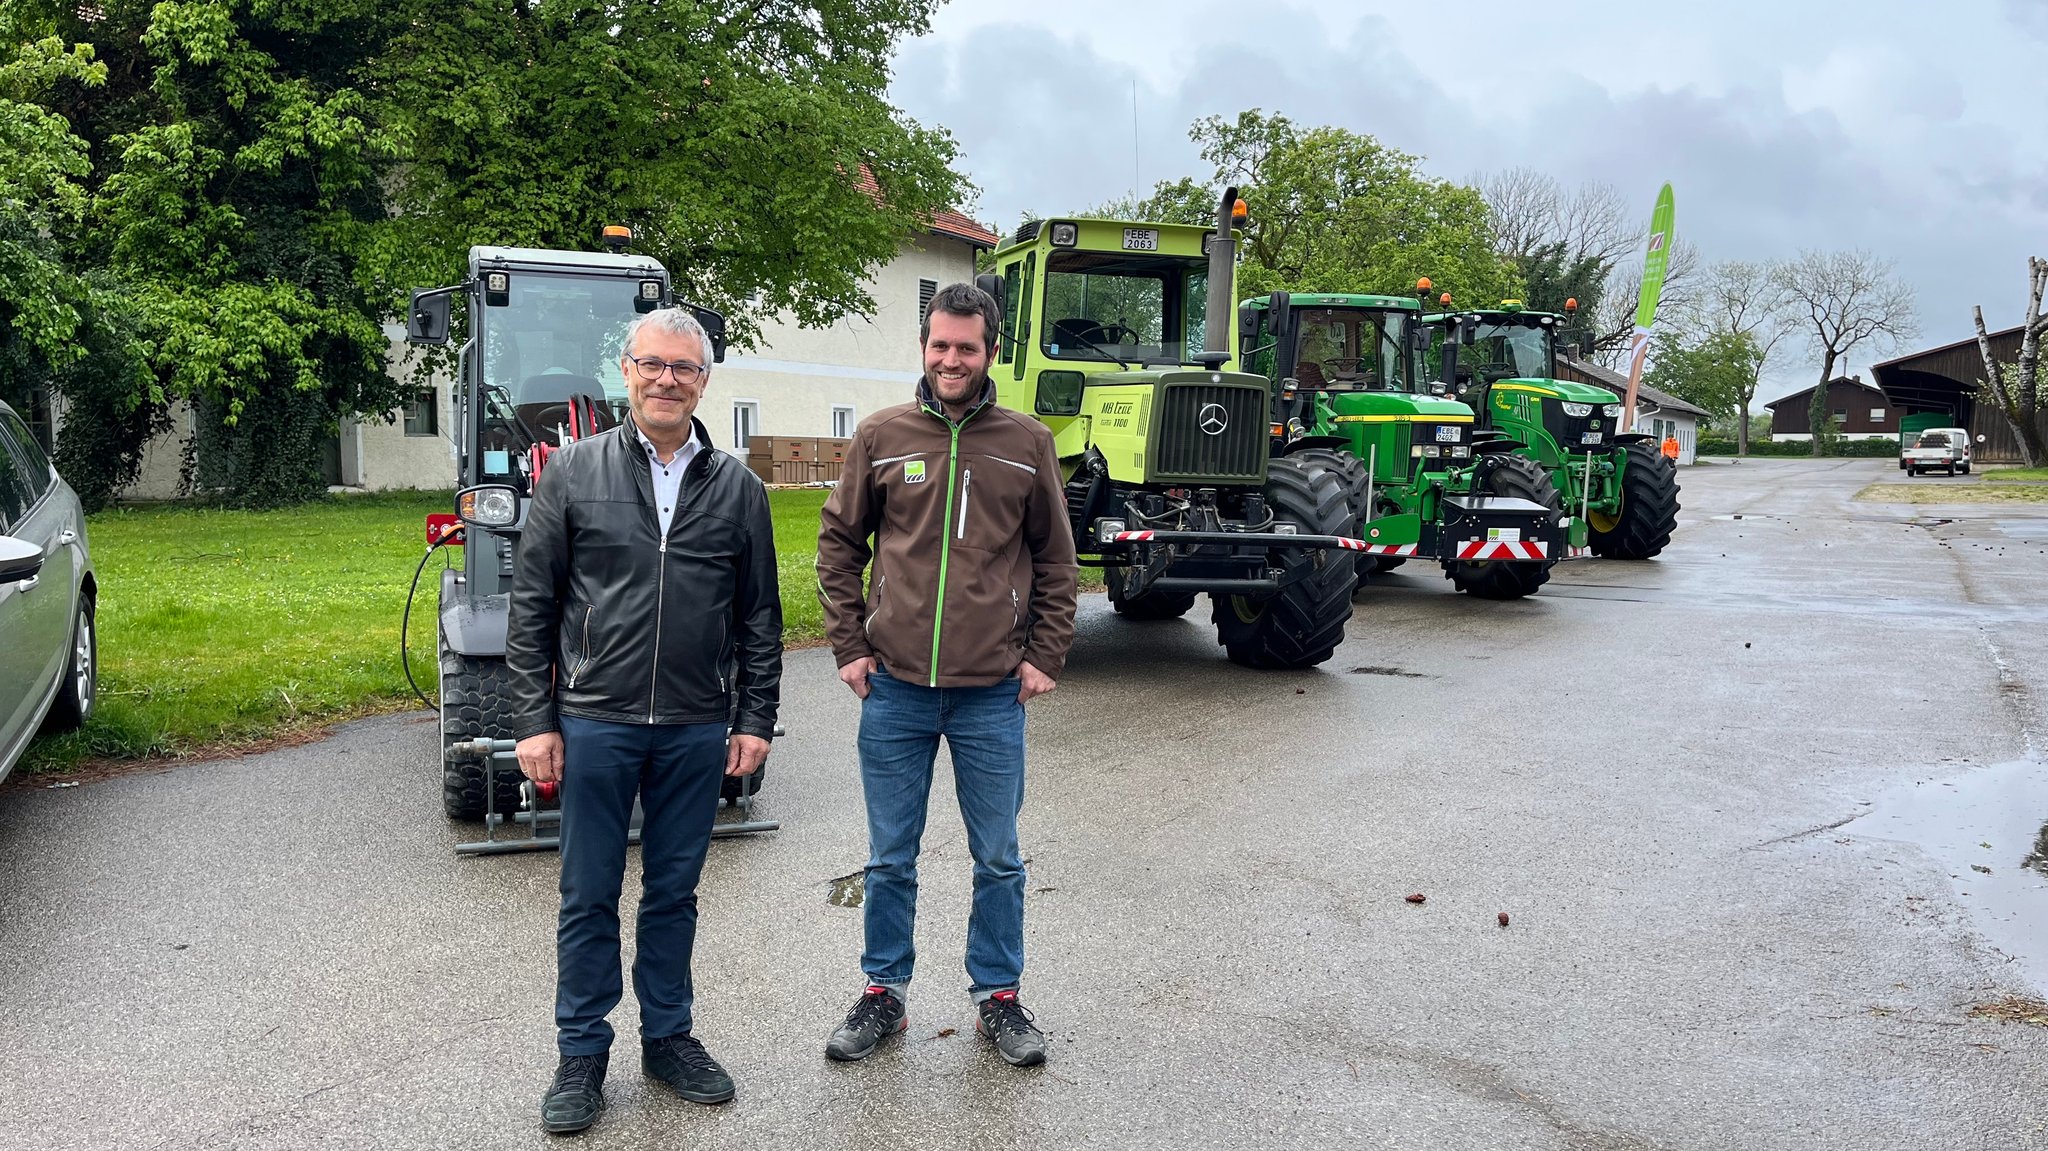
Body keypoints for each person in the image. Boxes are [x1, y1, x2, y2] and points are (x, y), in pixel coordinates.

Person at [504, 306, 782, 1135]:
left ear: (704, 381)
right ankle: (581, 1052)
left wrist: (754, 715)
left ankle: (669, 1037)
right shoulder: (573, 473)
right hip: (595, 719)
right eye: (653, 365)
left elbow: (759, 619)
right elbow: (532, 606)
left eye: (684, 369)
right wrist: (534, 717)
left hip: (697, 724)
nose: (667, 379)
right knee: (588, 892)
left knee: (673, 892)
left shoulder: (738, 488)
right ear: (626, 370)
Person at [815, 282, 1078, 1068]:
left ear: (990, 350)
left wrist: (1044, 654)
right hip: (893, 687)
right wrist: (848, 646)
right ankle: (882, 994)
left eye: (966, 347)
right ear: (923, 349)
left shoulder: (1026, 442)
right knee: (890, 854)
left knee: (998, 855)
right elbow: (838, 544)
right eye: (940, 346)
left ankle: (998, 996)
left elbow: (1056, 559)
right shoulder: (880, 436)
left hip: (992, 694)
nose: (951, 359)